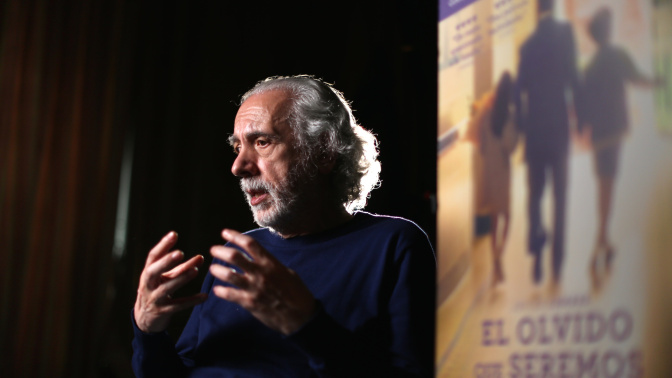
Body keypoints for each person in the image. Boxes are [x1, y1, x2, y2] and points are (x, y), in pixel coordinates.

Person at [131, 75, 436, 377]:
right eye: (237, 147)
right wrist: (148, 330)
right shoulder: (237, 252)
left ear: (324, 152)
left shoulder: (394, 244)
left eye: (262, 142)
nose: (238, 166)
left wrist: (306, 325)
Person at [580, 7, 662, 271]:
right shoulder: (618, 57)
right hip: (614, 130)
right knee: (609, 185)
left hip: (599, 135)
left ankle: (604, 239)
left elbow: (583, 102)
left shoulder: (591, 66)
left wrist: (583, 126)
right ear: (608, 31)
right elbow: (638, 79)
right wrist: (658, 82)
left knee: (603, 186)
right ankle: (601, 239)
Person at [515, 0, 581, 285]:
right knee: (561, 198)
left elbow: (518, 91)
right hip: (558, 130)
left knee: (535, 197)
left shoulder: (527, 46)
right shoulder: (565, 36)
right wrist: (583, 118)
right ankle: (557, 262)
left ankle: (538, 251)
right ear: (553, 8)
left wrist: (522, 124)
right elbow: (575, 79)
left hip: (535, 132)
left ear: (536, 11)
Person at [467, 72, 518, 286]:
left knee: (494, 218)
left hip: (488, 169)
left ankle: (494, 259)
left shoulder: (487, 113)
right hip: (503, 170)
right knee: (508, 215)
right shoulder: (510, 116)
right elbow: (510, 146)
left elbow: (473, 134)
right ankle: (498, 256)